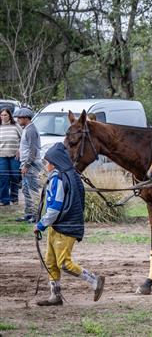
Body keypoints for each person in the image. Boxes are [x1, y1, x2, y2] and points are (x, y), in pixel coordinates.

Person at [34, 142, 105, 306]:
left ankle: (95, 280)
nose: (46, 165)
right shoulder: (65, 176)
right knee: (50, 262)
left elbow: (55, 207)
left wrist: (41, 225)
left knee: (64, 263)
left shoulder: (59, 179)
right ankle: (55, 296)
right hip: (58, 226)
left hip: (65, 227)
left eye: (47, 162)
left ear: (54, 162)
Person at [15, 108, 42, 223]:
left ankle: (36, 214)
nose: (18, 120)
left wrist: (27, 165)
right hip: (26, 163)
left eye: (19, 118)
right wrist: (19, 150)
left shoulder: (31, 130)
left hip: (31, 164)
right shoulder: (26, 129)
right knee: (26, 189)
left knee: (32, 190)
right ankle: (28, 213)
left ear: (26, 118)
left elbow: (33, 149)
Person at [0, 108, 22, 206]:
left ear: (10, 116)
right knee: (3, 178)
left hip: (14, 156)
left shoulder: (15, 126)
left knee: (15, 177)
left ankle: (14, 198)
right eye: (2, 115)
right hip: (2, 156)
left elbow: (23, 138)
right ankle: (4, 200)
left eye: (5, 115)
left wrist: (20, 149)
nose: (3, 117)